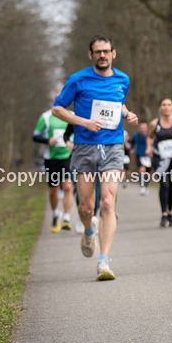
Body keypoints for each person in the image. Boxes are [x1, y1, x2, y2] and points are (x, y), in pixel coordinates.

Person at [52, 34, 138, 280]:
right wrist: (83, 122)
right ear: (90, 55)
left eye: (106, 51)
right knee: (86, 207)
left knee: (108, 203)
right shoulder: (77, 80)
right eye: (98, 52)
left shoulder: (123, 79)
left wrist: (128, 114)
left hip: (112, 147)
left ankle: (104, 261)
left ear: (113, 53)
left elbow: (119, 103)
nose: (102, 55)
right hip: (85, 148)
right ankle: (89, 231)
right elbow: (57, 109)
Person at [33, 97, 74, 232]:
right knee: (53, 190)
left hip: (67, 156)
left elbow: (79, 132)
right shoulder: (45, 117)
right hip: (51, 158)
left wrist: (72, 143)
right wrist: (48, 141)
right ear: (53, 102)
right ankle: (56, 213)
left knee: (68, 186)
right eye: (56, 100)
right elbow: (35, 135)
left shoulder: (72, 115)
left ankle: (67, 217)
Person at [147, 98, 172, 227]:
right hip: (160, 159)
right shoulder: (154, 123)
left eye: (169, 105)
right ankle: (163, 214)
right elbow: (150, 137)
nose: (166, 107)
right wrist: (148, 147)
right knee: (164, 185)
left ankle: (170, 212)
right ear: (160, 108)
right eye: (164, 105)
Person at [130, 122, 150, 195]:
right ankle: (142, 187)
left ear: (147, 129)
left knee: (147, 173)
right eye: (141, 128)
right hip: (139, 155)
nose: (142, 130)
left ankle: (146, 187)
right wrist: (132, 149)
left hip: (148, 156)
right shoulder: (136, 136)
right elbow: (132, 143)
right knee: (141, 170)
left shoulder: (149, 136)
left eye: (143, 128)